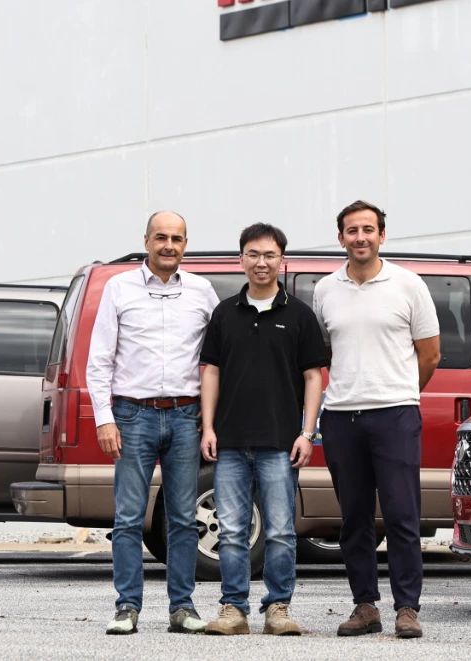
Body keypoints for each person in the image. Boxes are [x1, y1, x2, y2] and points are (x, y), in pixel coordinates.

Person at [86, 210, 220, 636]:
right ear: (146, 240)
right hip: (132, 416)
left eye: (176, 238)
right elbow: (99, 360)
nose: (168, 245)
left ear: (185, 244)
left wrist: (213, 418)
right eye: (161, 237)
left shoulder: (201, 291)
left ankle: (182, 607)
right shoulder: (118, 288)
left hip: (185, 417)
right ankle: (127, 606)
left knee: (182, 518)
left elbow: (220, 354)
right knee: (128, 517)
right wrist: (105, 419)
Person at [311, 200, 441, 639]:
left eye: (368, 229)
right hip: (341, 417)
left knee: (403, 515)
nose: (360, 237)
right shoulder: (325, 289)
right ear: (341, 238)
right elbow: (326, 351)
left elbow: (430, 354)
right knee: (354, 518)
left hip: (395, 415)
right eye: (352, 230)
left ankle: (407, 608)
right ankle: (365, 606)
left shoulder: (408, 284)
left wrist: (399, 392)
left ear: (382, 235)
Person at [198, 222, 327, 636]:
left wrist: (307, 433)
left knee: (280, 531)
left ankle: (278, 609)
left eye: (270, 255)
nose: (261, 262)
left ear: (281, 260)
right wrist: (208, 427)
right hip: (230, 442)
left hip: (281, 443)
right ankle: (233, 609)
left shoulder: (299, 315)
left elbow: (313, 377)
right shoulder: (224, 314)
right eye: (253, 254)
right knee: (232, 531)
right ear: (241, 259)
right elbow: (211, 371)